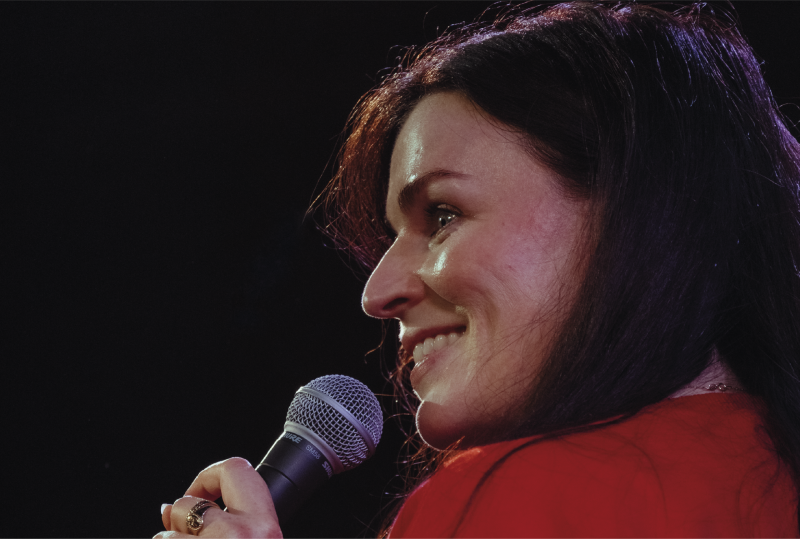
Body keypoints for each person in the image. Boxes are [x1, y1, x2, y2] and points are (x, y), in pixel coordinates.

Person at [155, 2, 800, 537]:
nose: (376, 294)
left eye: (441, 214)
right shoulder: (767, 480)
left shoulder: (525, 496)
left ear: (637, 213)